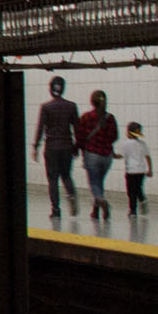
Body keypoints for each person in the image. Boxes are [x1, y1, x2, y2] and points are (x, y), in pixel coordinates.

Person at [31, 75, 79, 219]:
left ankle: (56, 210)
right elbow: (77, 128)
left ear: (51, 89)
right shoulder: (71, 106)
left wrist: (35, 147)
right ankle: (71, 195)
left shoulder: (46, 107)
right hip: (67, 146)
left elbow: (40, 128)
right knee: (66, 175)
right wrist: (77, 147)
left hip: (51, 147)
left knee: (52, 179)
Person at [76, 88, 119, 219]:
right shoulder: (110, 118)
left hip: (92, 154)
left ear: (92, 102)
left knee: (94, 184)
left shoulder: (85, 117)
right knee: (99, 182)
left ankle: (101, 201)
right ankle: (95, 211)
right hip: (107, 156)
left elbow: (80, 136)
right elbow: (114, 136)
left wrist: (78, 149)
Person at [117, 120, 154, 218]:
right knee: (138, 188)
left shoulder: (126, 144)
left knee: (131, 192)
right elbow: (148, 157)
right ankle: (142, 200)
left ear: (128, 132)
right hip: (141, 170)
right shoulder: (143, 144)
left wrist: (112, 155)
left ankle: (133, 211)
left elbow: (120, 155)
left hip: (131, 171)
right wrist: (150, 169)